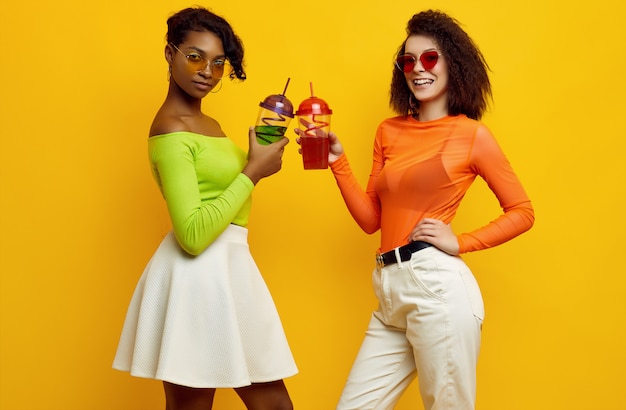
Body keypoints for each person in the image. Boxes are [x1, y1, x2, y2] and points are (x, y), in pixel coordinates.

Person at [296, 9, 535, 410]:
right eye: (408, 60)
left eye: (429, 58)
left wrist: (461, 242)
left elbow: (522, 211)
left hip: (436, 288)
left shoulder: (472, 135)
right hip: (389, 289)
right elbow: (372, 220)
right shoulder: (389, 131)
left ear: (452, 65)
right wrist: (337, 161)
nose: (417, 69)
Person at [112, 6, 297, 410]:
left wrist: (257, 160)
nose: (207, 72)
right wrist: (252, 172)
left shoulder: (208, 124)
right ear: (169, 53)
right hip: (196, 278)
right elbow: (192, 235)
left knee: (275, 405)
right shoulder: (171, 129)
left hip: (230, 269)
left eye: (218, 63)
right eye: (194, 57)